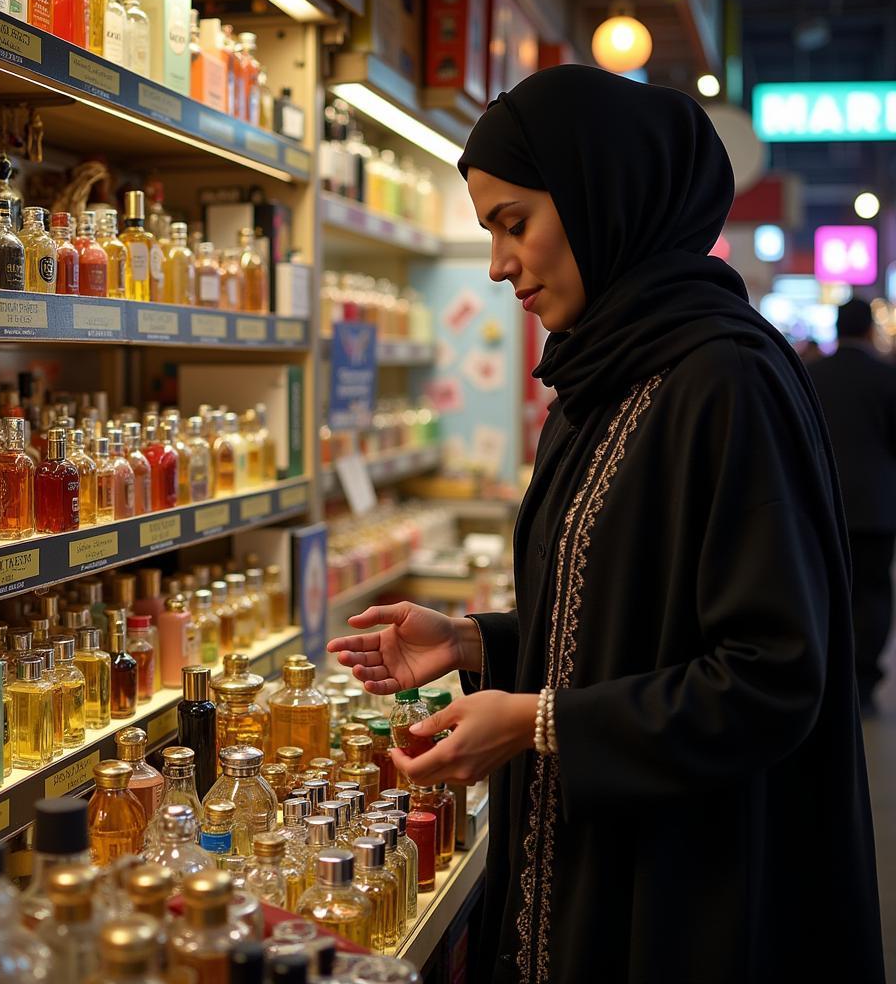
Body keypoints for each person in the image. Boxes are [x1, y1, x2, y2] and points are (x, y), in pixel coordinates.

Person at [327, 66, 884, 984]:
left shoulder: (726, 382)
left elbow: (773, 675)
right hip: (588, 863)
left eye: (516, 223)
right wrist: (473, 642)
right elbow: (625, 619)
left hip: (684, 884)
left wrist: (540, 722)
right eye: (488, 232)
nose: (500, 264)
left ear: (600, 194)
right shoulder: (598, 378)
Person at [809, 296, 896, 712]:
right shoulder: (887, 377)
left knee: (827, 589)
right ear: (868, 330)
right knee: (874, 593)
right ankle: (863, 682)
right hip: (877, 507)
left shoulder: (812, 375)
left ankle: (829, 675)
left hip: (821, 504)